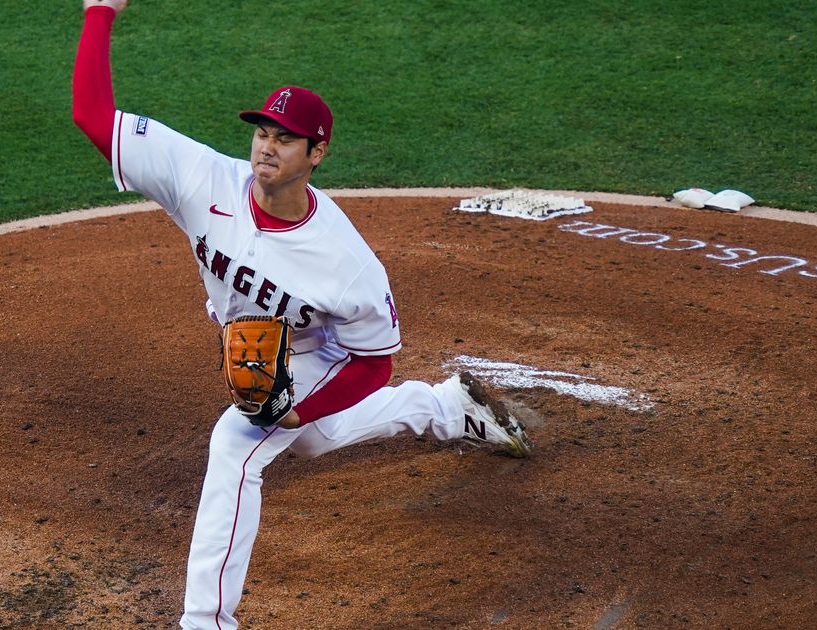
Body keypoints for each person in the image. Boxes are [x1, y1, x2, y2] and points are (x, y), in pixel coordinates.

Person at [72, 1, 533, 627]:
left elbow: (375, 362)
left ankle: (205, 621)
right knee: (313, 443)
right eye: (263, 132)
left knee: (237, 446)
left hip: (327, 352)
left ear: (316, 153)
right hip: (267, 342)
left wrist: (300, 404)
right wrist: (100, 11)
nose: (267, 147)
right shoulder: (202, 179)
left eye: (285, 139)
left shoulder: (346, 263)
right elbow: (92, 116)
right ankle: (448, 408)